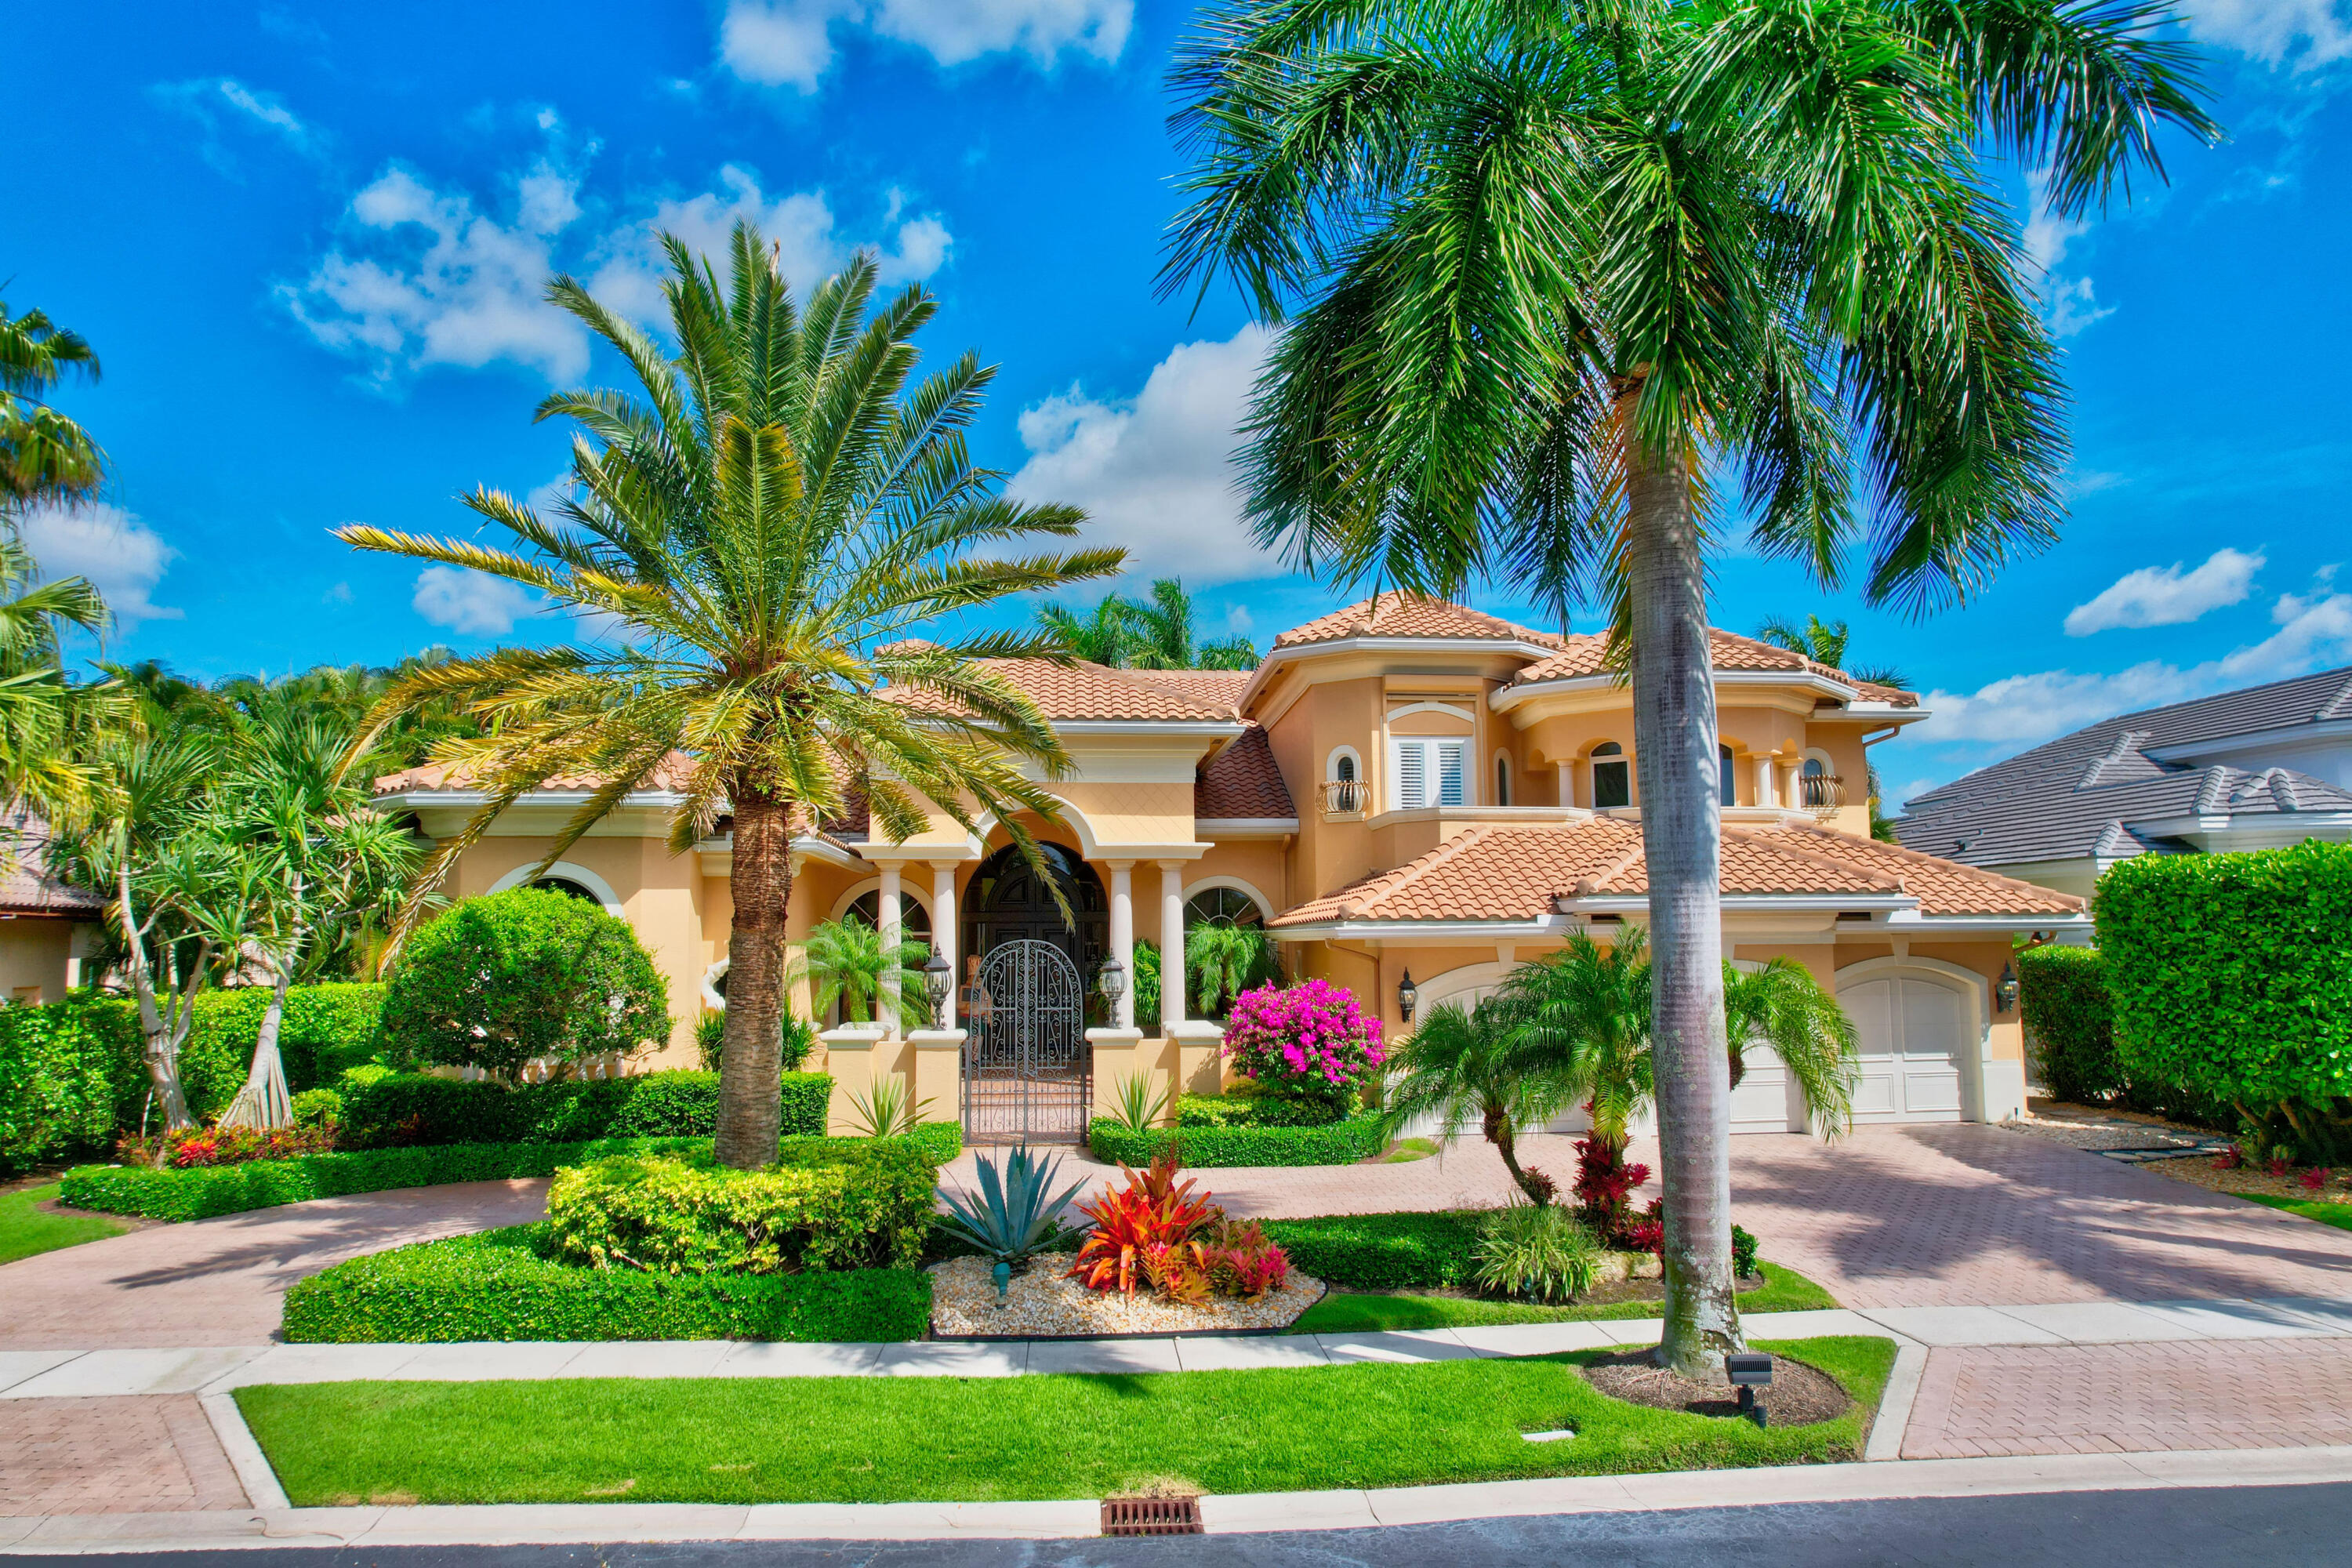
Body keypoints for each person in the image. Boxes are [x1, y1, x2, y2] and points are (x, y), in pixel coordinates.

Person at [957, 951, 993, 1030]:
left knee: (978, 1037)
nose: (973, 979)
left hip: (979, 1017)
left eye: (975, 977)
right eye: (971, 977)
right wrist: (966, 1005)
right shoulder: (963, 989)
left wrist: (989, 1016)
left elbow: (989, 1002)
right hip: (966, 1018)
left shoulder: (983, 989)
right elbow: (958, 1004)